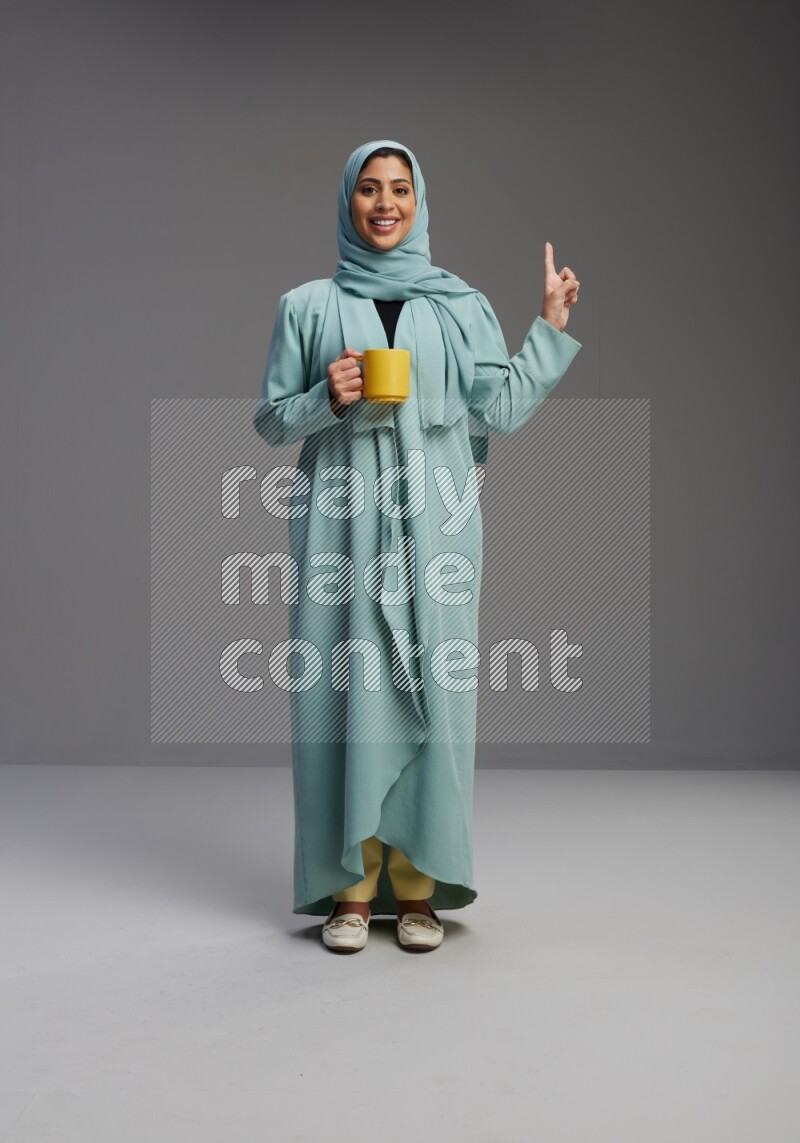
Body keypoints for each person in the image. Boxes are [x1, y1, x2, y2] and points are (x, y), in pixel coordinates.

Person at [252, 139, 582, 953]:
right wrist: (321, 398)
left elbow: (497, 409)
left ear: (419, 200)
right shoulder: (307, 305)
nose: (385, 202)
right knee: (344, 702)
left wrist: (547, 327)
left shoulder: (460, 306)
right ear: (348, 201)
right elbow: (268, 421)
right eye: (369, 189)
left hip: (438, 531)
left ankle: (418, 886)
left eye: (400, 188)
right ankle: (351, 891)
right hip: (342, 526)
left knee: (435, 699)